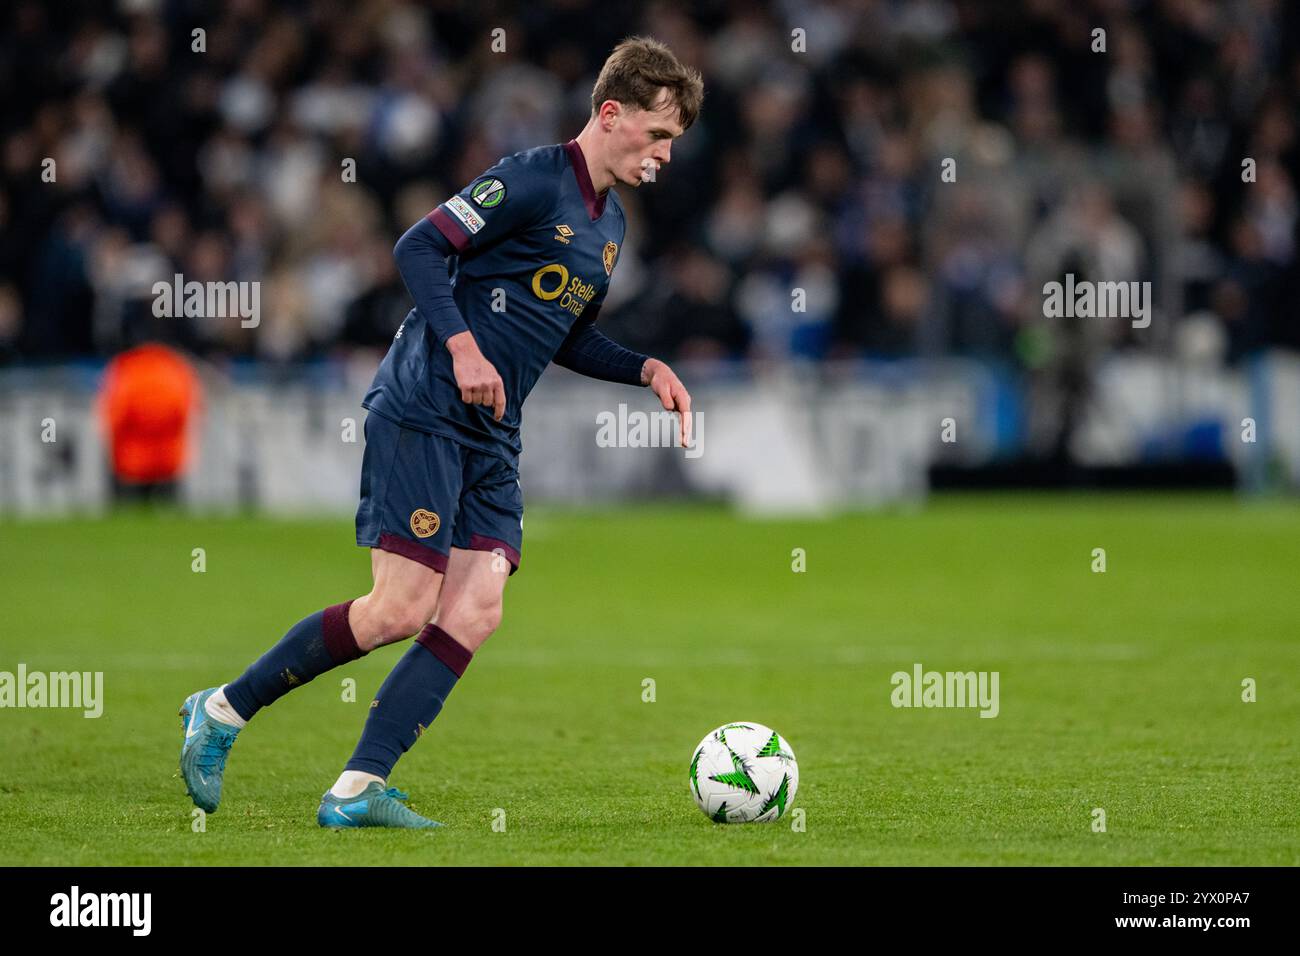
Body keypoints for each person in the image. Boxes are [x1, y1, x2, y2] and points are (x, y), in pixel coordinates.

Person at [177, 36, 703, 828]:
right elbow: (417, 245)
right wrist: (461, 347)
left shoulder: (611, 228)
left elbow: (563, 334)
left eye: (675, 143)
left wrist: (644, 369)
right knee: (398, 609)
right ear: (611, 112)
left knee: (476, 608)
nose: (665, 154)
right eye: (659, 135)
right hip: (426, 402)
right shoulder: (530, 178)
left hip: (494, 431)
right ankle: (221, 711)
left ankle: (355, 791)